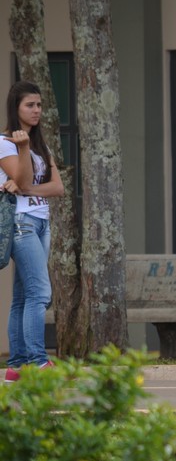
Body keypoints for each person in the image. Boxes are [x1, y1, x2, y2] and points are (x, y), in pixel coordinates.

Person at [0, 80, 64, 383]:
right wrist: (21, 147)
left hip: (41, 221)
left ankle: (17, 366)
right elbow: (21, 176)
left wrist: (29, 187)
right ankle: (38, 362)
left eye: (39, 104)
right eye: (30, 105)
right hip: (21, 222)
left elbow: (57, 187)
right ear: (16, 108)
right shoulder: (4, 142)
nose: (37, 110)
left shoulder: (41, 145)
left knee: (24, 296)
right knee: (40, 293)